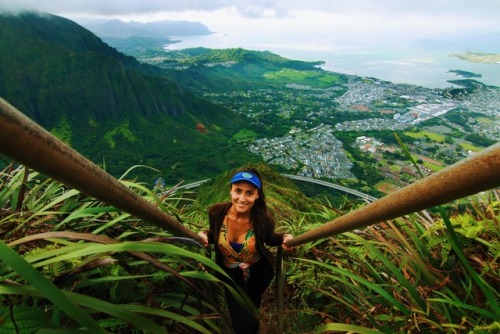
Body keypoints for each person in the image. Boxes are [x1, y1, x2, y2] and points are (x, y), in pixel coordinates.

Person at [198, 168, 294, 333]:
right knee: (241, 321)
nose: (242, 198)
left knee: (253, 302)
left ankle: (253, 318)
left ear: (257, 195)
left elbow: (270, 239)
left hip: (256, 272)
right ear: (230, 190)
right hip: (229, 274)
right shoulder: (217, 212)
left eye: (249, 193)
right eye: (238, 191)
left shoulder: (263, 219)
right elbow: (216, 235)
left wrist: (286, 237)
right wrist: (205, 234)